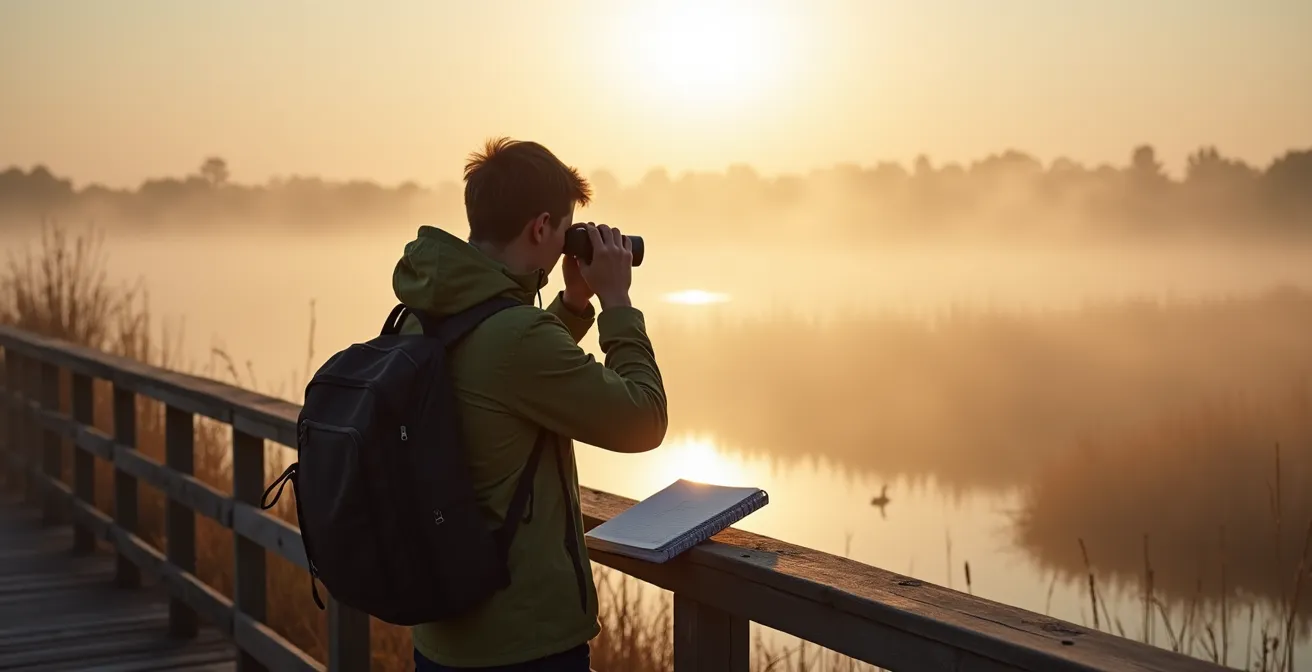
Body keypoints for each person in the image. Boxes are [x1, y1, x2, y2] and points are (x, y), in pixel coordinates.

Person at [395, 138, 668, 671]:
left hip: (442, 636)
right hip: (523, 644)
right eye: (566, 229)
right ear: (541, 229)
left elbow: (501, 389)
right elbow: (644, 420)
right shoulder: (518, 337)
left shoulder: (426, 312)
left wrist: (569, 305)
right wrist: (617, 304)